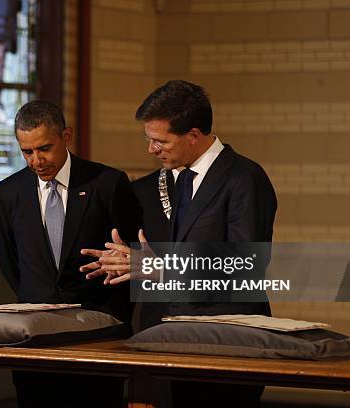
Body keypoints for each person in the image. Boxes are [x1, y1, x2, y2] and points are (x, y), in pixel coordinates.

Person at [81, 80, 277, 407]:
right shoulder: (165, 180)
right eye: (148, 139)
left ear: (193, 136)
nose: (151, 150)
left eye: (160, 141)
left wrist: (159, 268)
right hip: (169, 339)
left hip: (225, 343)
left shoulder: (245, 178)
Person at [0, 100, 141, 407]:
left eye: (44, 148)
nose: (37, 160)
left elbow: (133, 259)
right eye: (27, 152)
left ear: (66, 136)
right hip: (35, 338)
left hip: (98, 333)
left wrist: (117, 320)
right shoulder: (8, 192)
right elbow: (10, 261)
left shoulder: (107, 183)